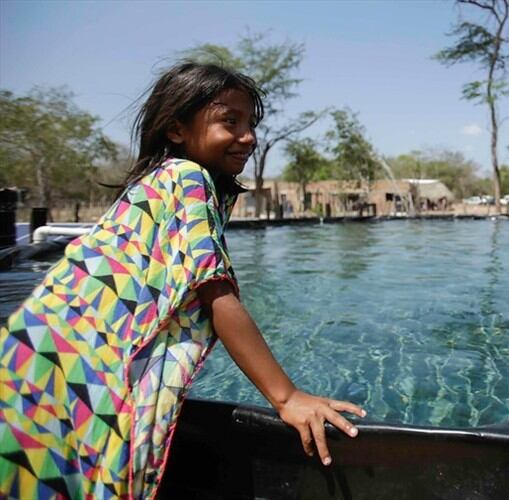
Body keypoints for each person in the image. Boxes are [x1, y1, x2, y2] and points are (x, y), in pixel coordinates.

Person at [0, 62, 364, 499]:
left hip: (40, 360)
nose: (247, 136)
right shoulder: (186, 176)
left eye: (251, 123)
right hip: (68, 367)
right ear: (176, 129)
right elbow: (214, 290)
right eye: (229, 121)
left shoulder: (163, 181)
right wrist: (286, 397)